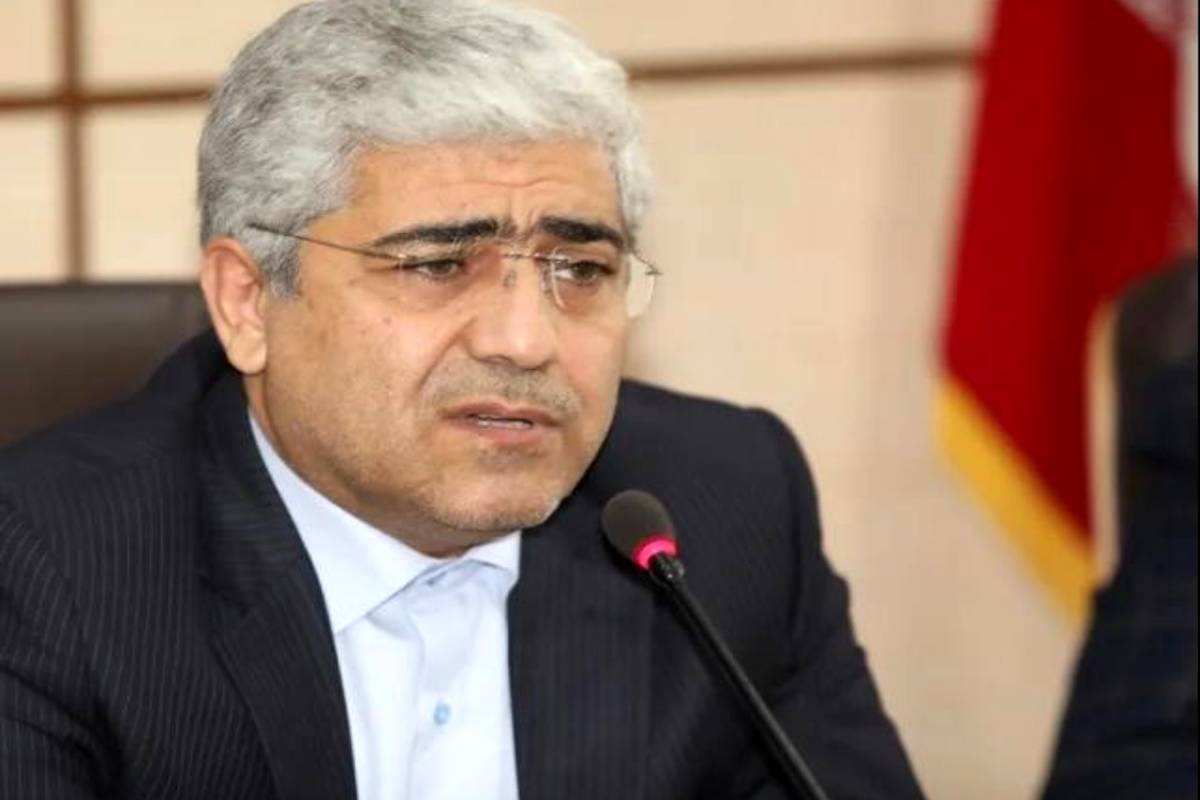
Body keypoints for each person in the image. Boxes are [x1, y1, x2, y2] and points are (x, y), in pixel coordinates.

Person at [0, 1, 922, 798]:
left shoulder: (723, 510)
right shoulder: (46, 573)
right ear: (248, 302)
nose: (525, 340)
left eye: (579, 269)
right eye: (438, 264)